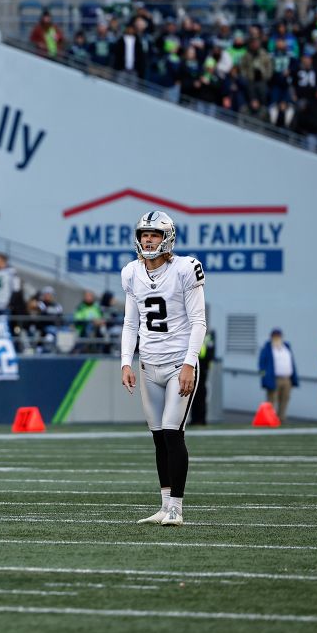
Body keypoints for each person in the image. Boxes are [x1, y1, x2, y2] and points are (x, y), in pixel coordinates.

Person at [120, 212, 207, 527]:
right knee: (158, 436)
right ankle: (164, 505)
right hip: (148, 365)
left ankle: (177, 508)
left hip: (176, 365)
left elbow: (199, 321)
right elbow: (131, 323)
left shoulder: (185, 269)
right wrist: (125, 361)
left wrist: (189, 362)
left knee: (173, 433)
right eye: (144, 234)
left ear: (167, 237)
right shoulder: (131, 272)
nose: (147, 239)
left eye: (154, 234)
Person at [258, 328, 299, 423]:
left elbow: (291, 362)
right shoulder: (267, 348)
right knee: (272, 400)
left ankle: (281, 418)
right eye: (275, 336)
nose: (277, 338)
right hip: (274, 378)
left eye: (278, 336)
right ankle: (270, 419)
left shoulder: (286, 347)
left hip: (287, 378)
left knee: (285, 399)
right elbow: (261, 365)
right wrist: (264, 377)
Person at [190, 311, 215, 426]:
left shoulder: (208, 335)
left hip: (202, 367)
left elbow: (210, 351)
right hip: (193, 364)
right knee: (191, 394)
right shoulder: (193, 331)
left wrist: (206, 365)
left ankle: (201, 419)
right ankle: (195, 418)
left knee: (201, 393)